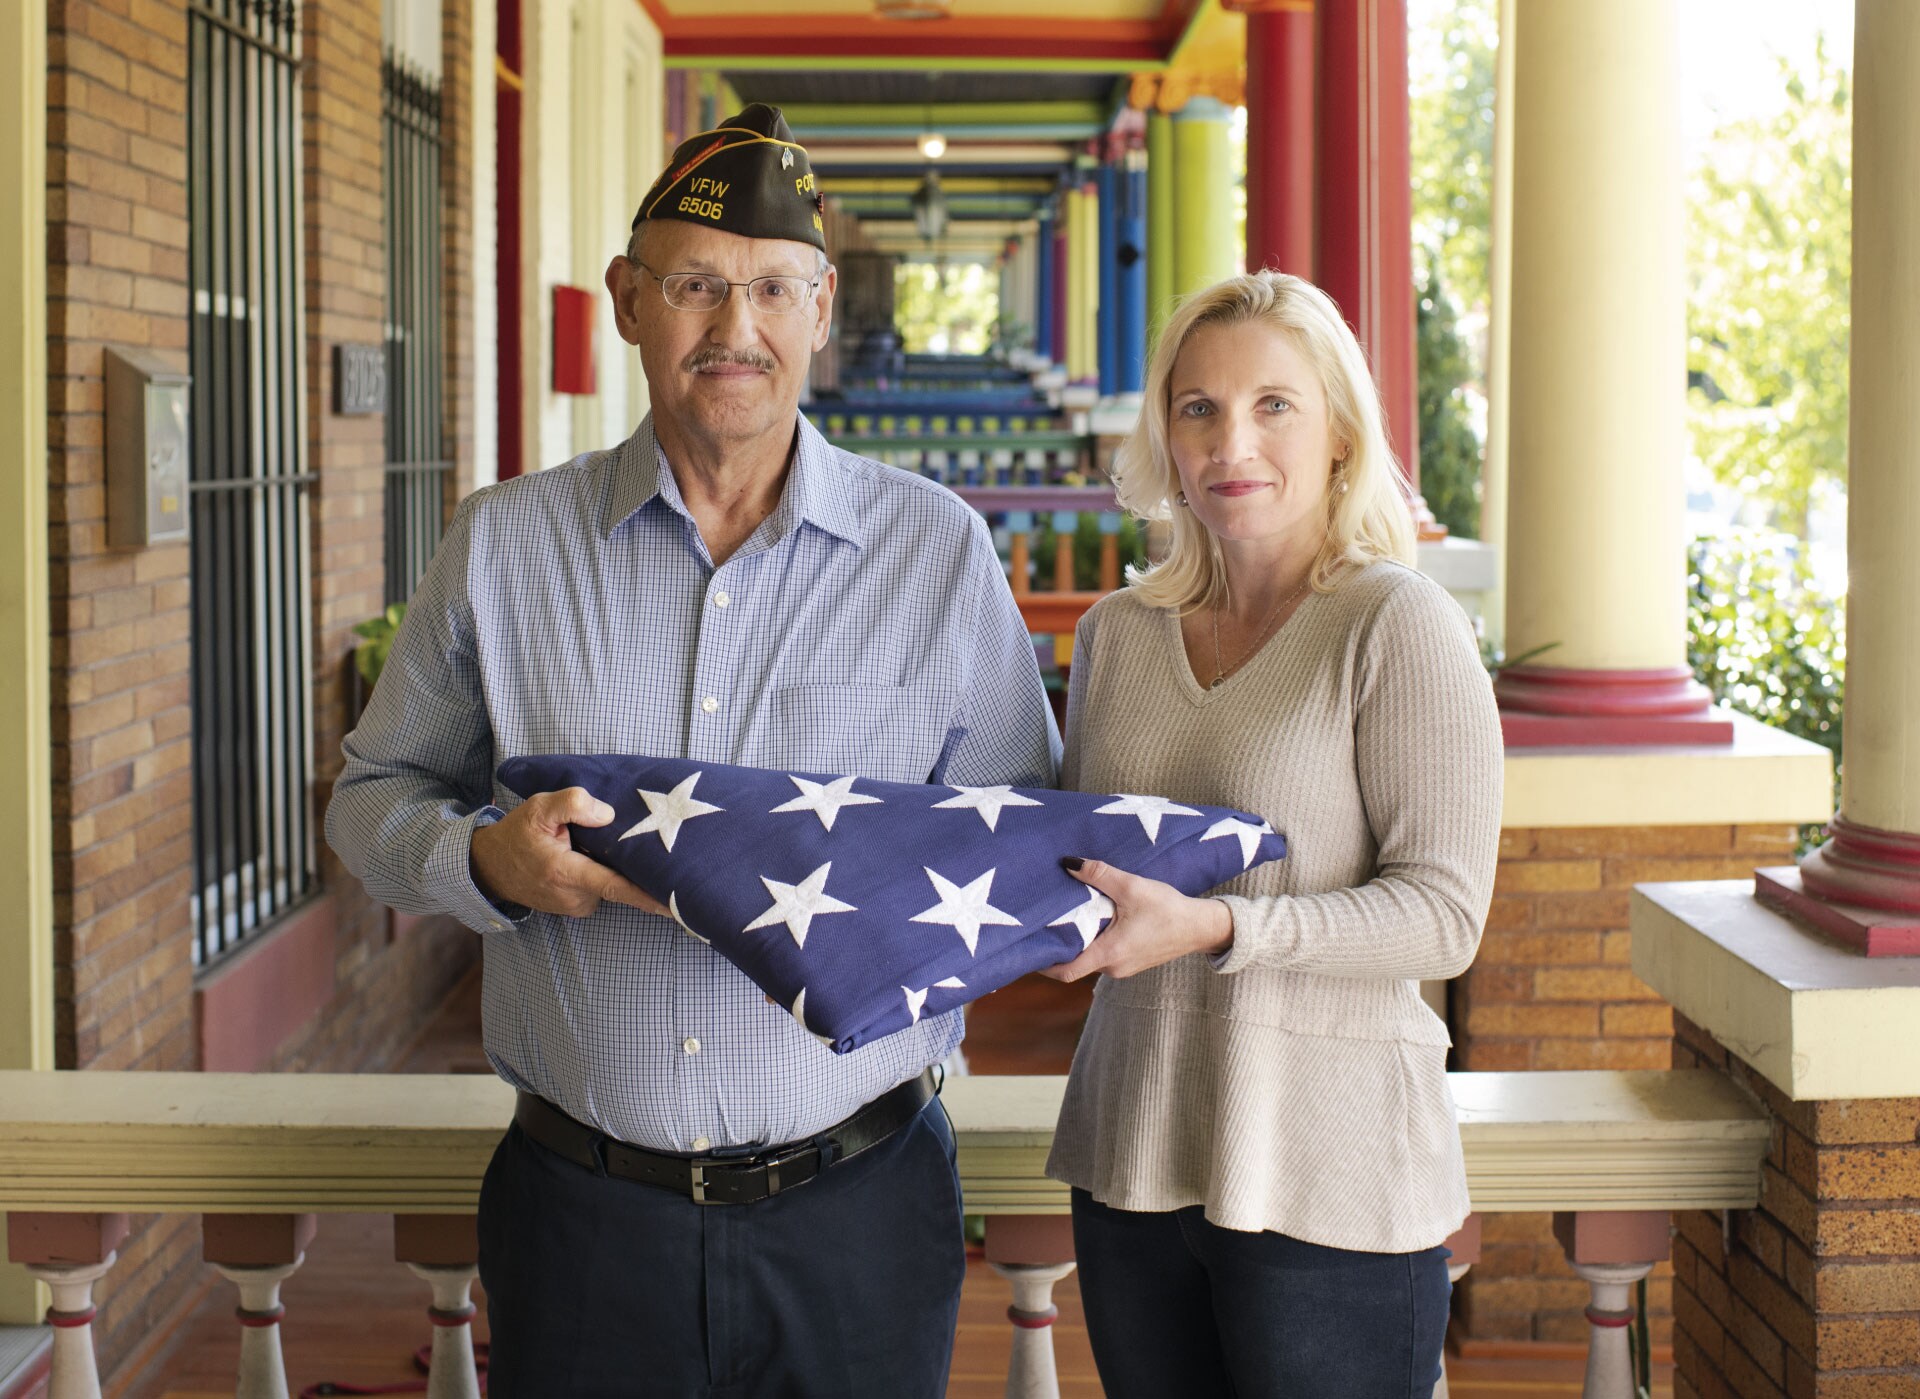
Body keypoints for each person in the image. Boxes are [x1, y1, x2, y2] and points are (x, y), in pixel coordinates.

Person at [325, 104, 1059, 1398]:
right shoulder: (502, 546)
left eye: (773, 288)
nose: (736, 330)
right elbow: (370, 796)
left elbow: (1023, 839)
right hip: (583, 1217)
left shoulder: (937, 554)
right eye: (697, 286)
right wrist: (482, 861)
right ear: (627, 300)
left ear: (822, 307)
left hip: (863, 1209)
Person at [1039, 271, 1503, 1398]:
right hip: (1134, 1149)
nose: (1228, 439)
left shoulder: (1398, 624)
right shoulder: (1117, 635)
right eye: (1196, 407)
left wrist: (1215, 927)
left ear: (1339, 431)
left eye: (1272, 405)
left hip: (1329, 1169)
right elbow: (1068, 858)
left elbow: (1444, 917)